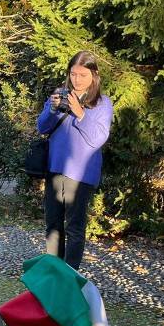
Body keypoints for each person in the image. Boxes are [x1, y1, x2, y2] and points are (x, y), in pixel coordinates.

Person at [36, 51, 113, 270]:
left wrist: (81, 114)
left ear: (94, 75)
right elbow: (42, 127)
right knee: (52, 225)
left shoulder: (102, 104)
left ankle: (70, 277)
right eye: (73, 74)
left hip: (80, 175)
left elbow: (99, 138)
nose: (76, 80)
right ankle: (53, 272)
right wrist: (51, 110)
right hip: (54, 169)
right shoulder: (61, 95)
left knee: (74, 228)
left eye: (82, 75)